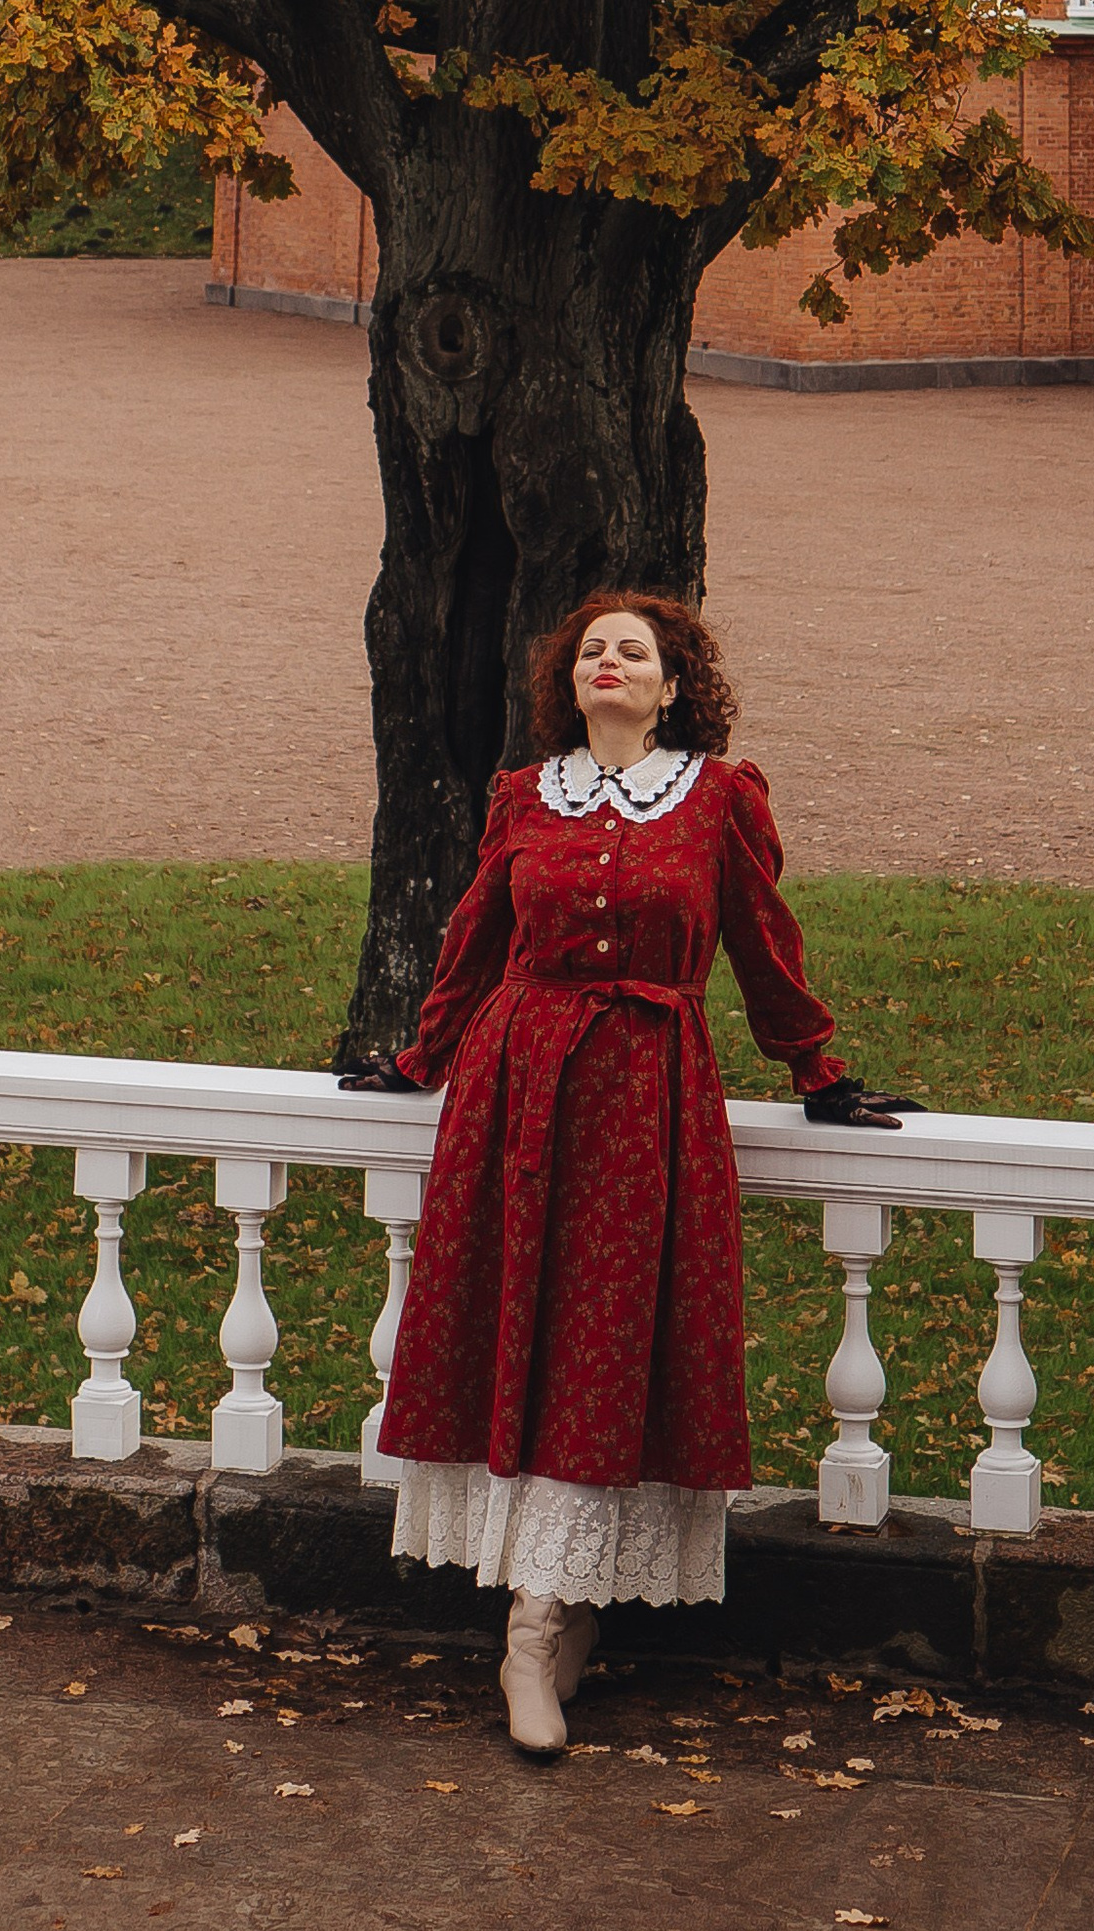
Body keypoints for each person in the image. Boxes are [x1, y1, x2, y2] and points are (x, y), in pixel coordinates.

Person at [337, 590, 907, 1758]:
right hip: (516, 1090)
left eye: (633, 651)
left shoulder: (716, 800)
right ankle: (546, 1618)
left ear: (671, 685)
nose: (608, 661)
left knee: (605, 1342)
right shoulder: (522, 797)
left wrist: (816, 1069)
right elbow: (475, 939)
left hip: (646, 1098)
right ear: (571, 681)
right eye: (591, 649)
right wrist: (423, 1056)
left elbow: (762, 939)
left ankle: (537, 1629)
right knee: (521, 1331)